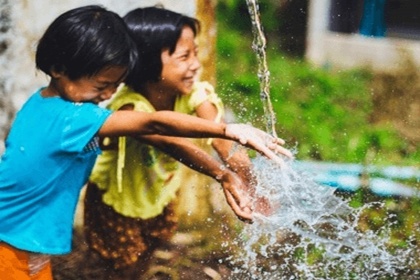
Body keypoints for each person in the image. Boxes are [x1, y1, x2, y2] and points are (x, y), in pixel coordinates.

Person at [0, 5, 292, 280]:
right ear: (58, 68)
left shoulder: (42, 101)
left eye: (115, 85)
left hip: (22, 235)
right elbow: (154, 122)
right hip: (12, 239)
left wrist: (227, 172)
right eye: (102, 86)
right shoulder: (73, 118)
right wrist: (228, 131)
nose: (107, 95)